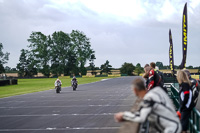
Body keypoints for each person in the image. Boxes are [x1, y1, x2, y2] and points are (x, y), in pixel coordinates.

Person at [114, 77, 181, 133]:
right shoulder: (156, 92)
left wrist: (123, 115)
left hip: (171, 129)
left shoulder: (149, 98)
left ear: (135, 90)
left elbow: (141, 117)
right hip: (174, 125)